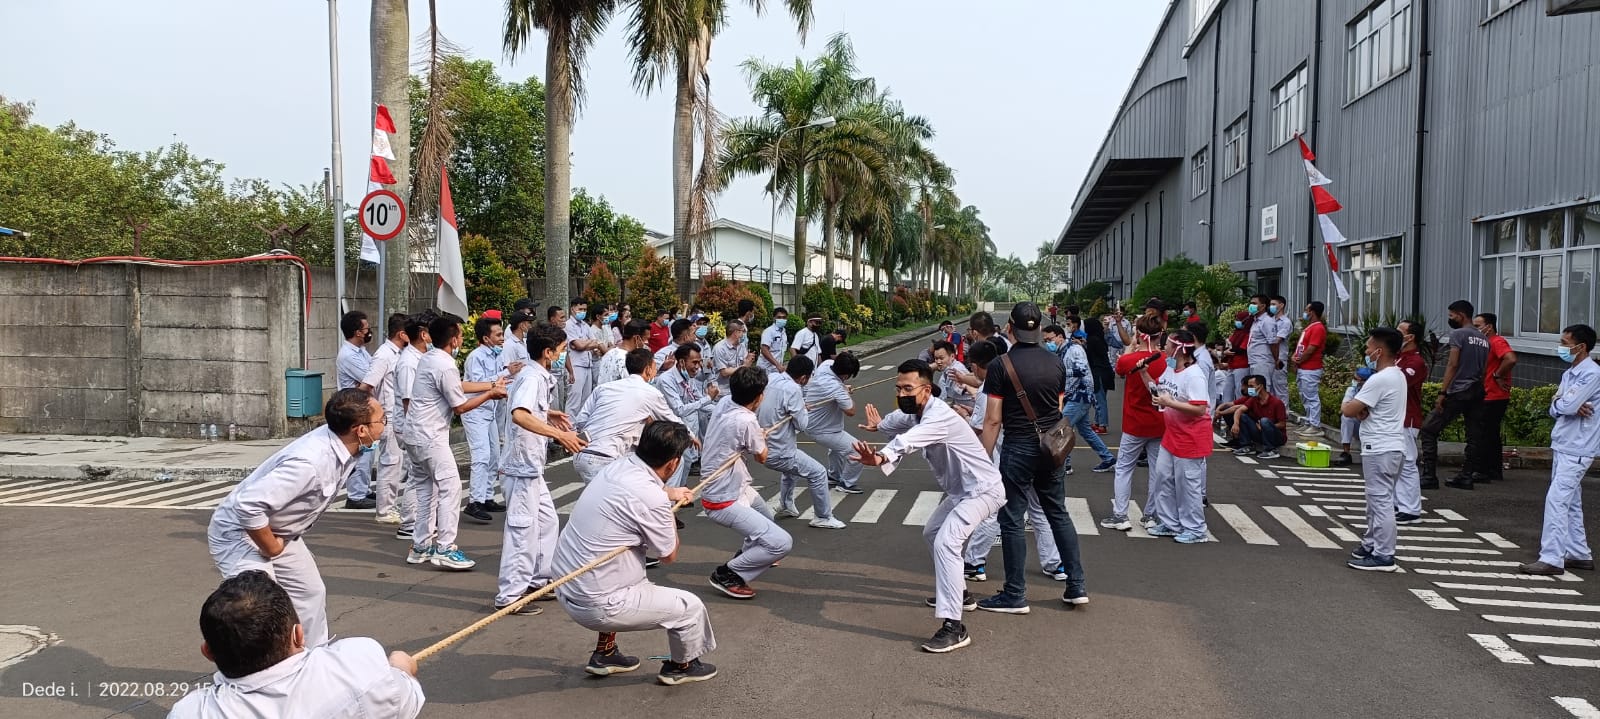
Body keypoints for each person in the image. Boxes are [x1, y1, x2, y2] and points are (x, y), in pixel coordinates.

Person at [207, 389, 382, 647]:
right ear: (361, 430)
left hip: (278, 530)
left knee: (310, 593)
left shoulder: (342, 445)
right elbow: (248, 506)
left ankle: (313, 658)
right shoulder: (310, 463)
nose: (385, 425)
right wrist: (272, 547)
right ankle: (257, 668)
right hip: (241, 533)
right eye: (381, 420)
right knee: (259, 608)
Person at [855, 359, 1007, 654]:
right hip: (962, 492)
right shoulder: (917, 413)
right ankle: (961, 594)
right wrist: (879, 426)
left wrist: (881, 457)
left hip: (982, 491)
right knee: (932, 533)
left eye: (907, 388)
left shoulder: (939, 418)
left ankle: (954, 627)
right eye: (898, 388)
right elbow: (896, 421)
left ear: (926, 390)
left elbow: (908, 441)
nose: (901, 394)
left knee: (946, 542)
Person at [552, 421, 719, 684]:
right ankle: (681, 666)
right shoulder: (653, 498)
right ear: (674, 463)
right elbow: (668, 554)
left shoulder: (616, 467)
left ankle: (605, 652)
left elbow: (646, 491)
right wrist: (667, 513)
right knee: (691, 608)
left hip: (565, 584)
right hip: (595, 603)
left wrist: (670, 494)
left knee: (627, 566)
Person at [169, 571, 423, 718]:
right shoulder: (358, 666)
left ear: (208, 652)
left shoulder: (193, 712)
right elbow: (406, 702)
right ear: (299, 634)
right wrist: (402, 669)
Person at [976, 302, 1088, 614]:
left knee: (1012, 518)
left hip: (1018, 446)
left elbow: (993, 420)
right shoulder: (1056, 362)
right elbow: (1058, 408)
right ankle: (1077, 585)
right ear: (1039, 327)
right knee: (1057, 513)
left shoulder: (1001, 365)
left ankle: (1015, 594)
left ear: (1009, 327)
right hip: (1051, 447)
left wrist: (982, 460)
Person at [403, 314, 507, 571]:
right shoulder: (445, 364)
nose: (462, 339)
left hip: (416, 435)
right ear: (453, 340)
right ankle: (445, 548)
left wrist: (490, 385)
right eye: (460, 335)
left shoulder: (430, 358)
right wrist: (491, 393)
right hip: (430, 437)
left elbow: (457, 386)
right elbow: (460, 406)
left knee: (427, 490)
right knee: (451, 488)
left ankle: (420, 546)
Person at [496, 324, 586, 614]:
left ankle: (538, 580)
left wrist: (549, 413)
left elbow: (529, 409)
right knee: (522, 531)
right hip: (520, 467)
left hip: (531, 467)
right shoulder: (532, 377)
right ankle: (510, 596)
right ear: (548, 352)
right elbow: (520, 415)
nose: (562, 355)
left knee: (547, 523)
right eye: (560, 350)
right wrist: (559, 434)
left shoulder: (535, 375)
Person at [959, 341, 1062, 584]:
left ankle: (974, 562)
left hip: (1009, 454)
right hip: (1039, 450)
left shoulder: (989, 389)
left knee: (994, 509)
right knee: (1039, 509)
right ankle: (1054, 563)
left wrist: (980, 457)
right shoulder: (1029, 376)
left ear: (975, 366)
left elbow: (986, 425)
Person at [699, 367, 790, 599]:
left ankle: (749, 557)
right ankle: (728, 574)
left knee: (767, 519)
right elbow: (762, 457)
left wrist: (756, 436)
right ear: (759, 396)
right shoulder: (747, 420)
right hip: (723, 498)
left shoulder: (725, 402)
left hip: (734, 486)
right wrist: (760, 437)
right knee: (781, 543)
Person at [1519, 325, 1599, 576]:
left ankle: (1552, 557)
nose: (1561, 347)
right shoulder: (1569, 373)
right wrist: (1564, 404)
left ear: (1581, 347)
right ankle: (1579, 553)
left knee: (1557, 500)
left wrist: (1566, 404)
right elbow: (1557, 407)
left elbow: (1567, 404)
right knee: (1571, 501)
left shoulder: (1592, 374)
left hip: (1579, 446)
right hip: (1565, 442)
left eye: (1565, 343)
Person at [1342, 327, 1411, 573]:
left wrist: (1352, 389)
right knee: (1376, 501)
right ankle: (1371, 544)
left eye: (1369, 347)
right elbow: (1366, 410)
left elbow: (1348, 410)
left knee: (1380, 502)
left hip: (1380, 448)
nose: (1366, 351)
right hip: (1390, 447)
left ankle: (1384, 555)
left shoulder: (1379, 379)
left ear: (1379, 351)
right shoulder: (1397, 375)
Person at [1138, 330, 1213, 544]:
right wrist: (1144, 373)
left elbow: (1200, 409)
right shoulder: (1171, 368)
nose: (1164, 347)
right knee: (1163, 479)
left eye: (1168, 344)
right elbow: (1158, 390)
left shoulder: (1195, 375)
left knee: (1188, 485)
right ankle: (1170, 523)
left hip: (1191, 438)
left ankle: (1196, 529)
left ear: (1179, 349)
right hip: (1172, 435)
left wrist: (1170, 403)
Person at [573, 348, 688, 483]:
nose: (656, 370)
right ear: (648, 369)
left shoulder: (604, 388)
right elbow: (671, 419)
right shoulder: (650, 393)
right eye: (655, 366)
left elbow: (581, 421)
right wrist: (690, 435)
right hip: (604, 457)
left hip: (582, 454)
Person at [759, 356, 846, 529]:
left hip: (763, 447)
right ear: (803, 377)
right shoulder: (793, 388)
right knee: (818, 473)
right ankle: (823, 516)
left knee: (791, 472)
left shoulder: (772, 378)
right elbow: (802, 424)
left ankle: (786, 504)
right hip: (780, 451)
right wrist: (803, 410)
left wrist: (800, 407)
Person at [1100, 314, 1168, 532]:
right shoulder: (1165, 359)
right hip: (1159, 421)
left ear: (1138, 333)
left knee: (1124, 468)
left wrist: (1131, 346)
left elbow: (1120, 368)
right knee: (1157, 471)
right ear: (1160, 334)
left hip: (1134, 422)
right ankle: (1151, 514)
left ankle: (1121, 515)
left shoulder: (1129, 360)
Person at [1420, 300, 1492, 491]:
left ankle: (1429, 475)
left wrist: (1442, 392)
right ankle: (1466, 476)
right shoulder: (1484, 339)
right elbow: (1484, 369)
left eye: (1451, 315)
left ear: (1461, 315)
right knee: (1473, 435)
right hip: (1477, 390)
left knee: (1429, 429)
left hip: (1458, 390)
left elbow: (1452, 364)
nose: (1450, 319)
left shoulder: (1458, 334)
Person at [357, 313, 412, 526]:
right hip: (387, 416)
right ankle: (384, 510)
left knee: (398, 464)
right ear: (402, 334)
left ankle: (389, 505)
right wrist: (373, 414)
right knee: (390, 462)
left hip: (396, 415)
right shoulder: (384, 356)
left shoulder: (399, 354)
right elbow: (366, 386)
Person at [391, 311, 434, 542]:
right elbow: (409, 401)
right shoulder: (408, 362)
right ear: (423, 334)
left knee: (423, 475)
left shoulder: (422, 357)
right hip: (411, 425)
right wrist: (418, 428)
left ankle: (420, 520)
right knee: (417, 475)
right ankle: (409, 523)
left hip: (419, 425)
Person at [654, 342, 721, 488]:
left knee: (687, 459)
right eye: (695, 362)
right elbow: (679, 410)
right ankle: (670, 494)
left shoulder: (688, 378)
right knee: (677, 463)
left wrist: (721, 411)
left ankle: (679, 490)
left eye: (700, 362)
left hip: (682, 428)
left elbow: (699, 401)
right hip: (666, 430)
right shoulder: (666, 380)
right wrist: (708, 399)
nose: (698, 367)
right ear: (682, 362)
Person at [462, 315, 508, 524]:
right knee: (481, 456)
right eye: (498, 335)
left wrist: (508, 372)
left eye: (502, 334)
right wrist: (500, 378)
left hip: (490, 410)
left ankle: (487, 496)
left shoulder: (497, 355)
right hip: (475, 410)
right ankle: (474, 501)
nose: (501, 338)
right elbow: (477, 384)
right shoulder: (476, 357)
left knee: (494, 455)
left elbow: (499, 379)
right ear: (486, 338)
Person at [1057, 320, 1115, 473]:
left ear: (1060, 337)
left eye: (1049, 339)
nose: (1048, 343)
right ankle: (1108, 458)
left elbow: (1081, 370)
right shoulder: (1066, 350)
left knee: (1062, 428)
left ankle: (1065, 464)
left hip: (1080, 395)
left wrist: (1061, 373)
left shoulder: (1074, 349)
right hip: (1079, 395)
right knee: (1085, 431)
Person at [805, 351, 864, 494]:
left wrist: (843, 388)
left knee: (837, 449)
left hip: (822, 425)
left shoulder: (827, 365)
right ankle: (846, 483)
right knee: (858, 451)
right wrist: (844, 391)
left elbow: (837, 387)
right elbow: (851, 411)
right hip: (821, 429)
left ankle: (833, 475)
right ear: (845, 375)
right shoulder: (834, 387)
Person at [336, 310, 377, 510]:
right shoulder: (348, 356)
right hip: (354, 408)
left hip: (363, 407)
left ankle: (364, 489)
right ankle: (356, 495)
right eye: (366, 328)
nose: (369, 331)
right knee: (361, 451)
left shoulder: (360, 351)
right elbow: (370, 377)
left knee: (368, 451)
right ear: (357, 332)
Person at [1473, 313, 1518, 484]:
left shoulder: (1497, 341)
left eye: (1478, 326)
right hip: (1490, 394)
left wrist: (1498, 375)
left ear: (1489, 326)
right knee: (1490, 434)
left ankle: (1483, 470)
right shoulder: (1486, 343)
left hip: (1493, 395)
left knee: (1484, 433)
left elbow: (1510, 359)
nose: (1475, 330)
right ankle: (1492, 470)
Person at [1394, 321, 1429, 523]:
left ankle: (1411, 509)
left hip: (1408, 417)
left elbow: (1399, 383)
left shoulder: (1416, 362)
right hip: (1395, 417)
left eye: (1400, 331)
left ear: (1410, 337)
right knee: (1396, 461)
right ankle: (1398, 503)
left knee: (1407, 462)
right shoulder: (1398, 357)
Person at [1217, 374, 1287, 458]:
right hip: (1260, 433)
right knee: (1242, 416)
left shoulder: (1276, 402)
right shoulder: (1253, 399)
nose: (1249, 389)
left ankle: (1271, 450)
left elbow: (1282, 424)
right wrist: (1236, 424)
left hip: (1276, 436)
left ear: (1260, 387)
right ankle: (1247, 445)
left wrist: (1266, 426)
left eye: (1251, 386)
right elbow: (1239, 410)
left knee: (1264, 421)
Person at [1292, 301, 1328, 437]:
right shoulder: (1310, 327)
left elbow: (1311, 348)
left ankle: (1315, 425)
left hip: (1311, 368)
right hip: (1303, 367)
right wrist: (1295, 358)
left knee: (1311, 396)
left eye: (1306, 310)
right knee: (1305, 396)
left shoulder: (1318, 328)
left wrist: (1299, 360)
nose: (1305, 312)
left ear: (1312, 312)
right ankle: (1309, 421)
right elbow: (1302, 346)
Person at [564, 299, 602, 416]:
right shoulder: (568, 325)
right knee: (574, 400)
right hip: (575, 366)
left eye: (585, 309)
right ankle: (569, 425)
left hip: (587, 364)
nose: (583, 312)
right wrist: (586, 344)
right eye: (580, 309)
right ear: (572, 309)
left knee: (585, 400)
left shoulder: (585, 325)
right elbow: (578, 346)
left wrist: (583, 344)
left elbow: (596, 343)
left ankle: (580, 424)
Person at [597, 319, 653, 389]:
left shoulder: (609, 353)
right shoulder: (628, 360)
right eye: (645, 339)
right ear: (636, 338)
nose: (647, 343)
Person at [711, 319, 758, 396]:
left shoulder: (741, 346)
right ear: (736, 332)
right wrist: (743, 367)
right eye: (743, 331)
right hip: (721, 392)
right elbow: (724, 372)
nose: (744, 334)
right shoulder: (719, 348)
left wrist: (749, 359)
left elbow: (745, 364)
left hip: (737, 389)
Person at [1083, 315, 1114, 434]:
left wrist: (1083, 346)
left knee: (1099, 399)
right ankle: (1097, 422)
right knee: (1100, 398)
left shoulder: (1092, 340)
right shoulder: (1099, 338)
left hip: (1098, 372)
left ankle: (1102, 425)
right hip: (1106, 371)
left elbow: (1089, 357)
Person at [1335, 370, 1371, 467]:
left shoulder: (1373, 391)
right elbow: (1344, 408)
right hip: (1360, 423)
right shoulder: (1352, 390)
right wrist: (1357, 413)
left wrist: (1359, 411)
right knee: (1346, 418)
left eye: (1356, 379)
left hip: (1373, 425)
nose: (1354, 381)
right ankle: (1346, 453)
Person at [931, 340, 978, 414]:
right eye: (936, 359)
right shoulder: (947, 370)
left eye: (941, 358)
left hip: (972, 411)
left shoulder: (956, 372)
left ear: (952, 356)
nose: (938, 362)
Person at [1220, 311, 1252, 412]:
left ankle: (1239, 412)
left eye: (1238, 320)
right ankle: (1225, 412)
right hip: (1232, 365)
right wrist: (1226, 351)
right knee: (1227, 390)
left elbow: (1242, 349)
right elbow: (1228, 345)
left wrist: (1229, 351)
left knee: (1240, 391)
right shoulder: (1235, 333)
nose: (1236, 322)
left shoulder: (1247, 334)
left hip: (1242, 365)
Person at [1267, 295, 1293, 406]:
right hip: (1268, 357)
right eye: (1270, 304)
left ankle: (1283, 411)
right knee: (1270, 388)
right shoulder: (1270, 320)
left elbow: (1277, 340)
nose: (1271, 307)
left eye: (1274, 304)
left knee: (1280, 387)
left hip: (1279, 358)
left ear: (1281, 305)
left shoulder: (1285, 322)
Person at [758, 307, 791, 373]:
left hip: (777, 369)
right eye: (779, 317)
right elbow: (764, 350)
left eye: (784, 317)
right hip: (765, 369)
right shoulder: (769, 331)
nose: (782, 319)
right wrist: (777, 364)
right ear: (774, 318)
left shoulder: (784, 333)